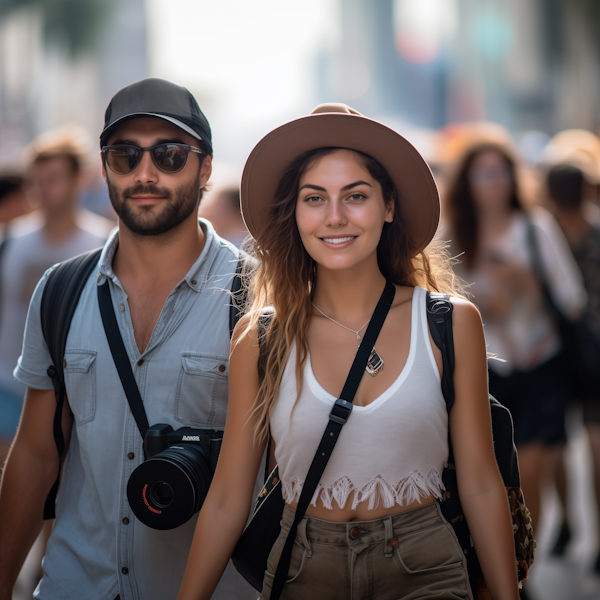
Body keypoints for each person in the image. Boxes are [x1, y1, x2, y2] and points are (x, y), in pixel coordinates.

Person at [178, 104, 519, 600]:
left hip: (426, 565)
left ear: (388, 206)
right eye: (314, 198)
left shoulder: (450, 322)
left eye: (355, 196)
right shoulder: (261, 337)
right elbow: (230, 496)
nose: (334, 216)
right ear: (294, 213)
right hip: (303, 569)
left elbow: (482, 483)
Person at [0, 78, 259, 600]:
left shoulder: (256, 295)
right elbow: (34, 453)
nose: (146, 173)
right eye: (125, 155)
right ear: (104, 168)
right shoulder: (61, 289)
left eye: (169, 155)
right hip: (75, 585)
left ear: (205, 168)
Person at [443, 141, 586, 541]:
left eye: (503, 171)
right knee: (491, 477)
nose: (496, 182)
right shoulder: (452, 234)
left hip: (541, 362)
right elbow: (435, 303)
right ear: (467, 182)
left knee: (529, 474)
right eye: (484, 172)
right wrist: (481, 304)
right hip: (483, 372)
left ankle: (526, 570)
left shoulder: (536, 228)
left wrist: (523, 280)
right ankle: (500, 565)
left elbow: (572, 301)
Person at [0, 127, 114, 469]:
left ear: (79, 180)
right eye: (38, 179)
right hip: (9, 382)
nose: (43, 188)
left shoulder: (103, 244)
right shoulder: (11, 241)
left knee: (62, 492)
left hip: (76, 393)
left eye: (53, 178)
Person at [546, 162, 600, 572]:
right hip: (590, 353)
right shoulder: (591, 233)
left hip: (554, 352)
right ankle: (593, 535)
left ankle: (566, 522)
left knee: (556, 446)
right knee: (593, 445)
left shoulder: (540, 233)